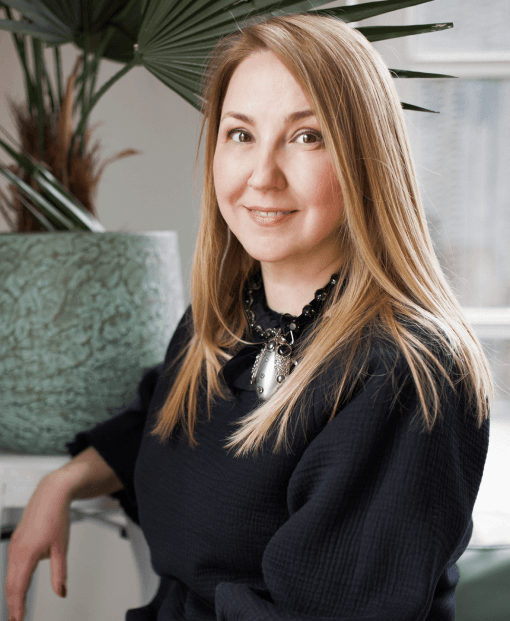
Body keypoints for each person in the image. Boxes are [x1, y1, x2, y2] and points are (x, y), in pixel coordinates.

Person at [5, 12, 492, 621]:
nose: (262, 176)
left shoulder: (407, 374)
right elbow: (160, 421)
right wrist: (64, 482)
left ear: (365, 157)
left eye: (306, 136)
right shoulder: (226, 319)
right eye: (240, 134)